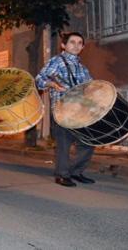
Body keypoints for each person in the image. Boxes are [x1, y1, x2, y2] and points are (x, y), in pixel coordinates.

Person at [36, 32, 95, 187]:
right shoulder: (56, 61)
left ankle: (76, 172)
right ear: (63, 45)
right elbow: (39, 79)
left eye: (79, 43)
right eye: (72, 42)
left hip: (80, 110)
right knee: (64, 144)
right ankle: (62, 175)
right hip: (63, 109)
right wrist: (52, 84)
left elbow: (90, 86)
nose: (76, 45)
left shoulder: (82, 68)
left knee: (88, 141)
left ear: (82, 47)